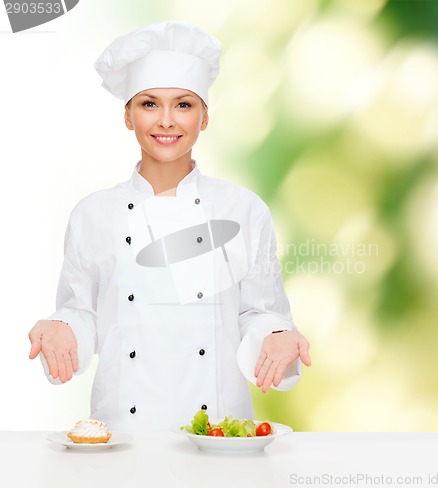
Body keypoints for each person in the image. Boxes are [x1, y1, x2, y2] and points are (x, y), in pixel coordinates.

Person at [28, 20, 311, 431]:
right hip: (121, 432)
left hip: (217, 431)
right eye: (148, 104)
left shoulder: (243, 210)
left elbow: (257, 312)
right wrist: (62, 328)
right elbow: (82, 311)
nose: (166, 121)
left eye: (183, 104)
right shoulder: (92, 214)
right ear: (127, 116)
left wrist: (276, 335)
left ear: (205, 117)